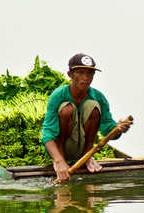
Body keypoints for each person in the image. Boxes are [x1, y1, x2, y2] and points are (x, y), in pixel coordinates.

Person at [41, 53, 132, 182]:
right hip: (62, 148)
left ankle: (87, 156)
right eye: (80, 72)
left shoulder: (98, 97)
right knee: (67, 109)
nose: (86, 78)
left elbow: (108, 131)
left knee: (93, 106)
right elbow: (47, 133)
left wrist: (119, 128)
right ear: (70, 75)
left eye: (90, 73)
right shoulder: (58, 95)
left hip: (84, 148)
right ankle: (61, 159)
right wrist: (59, 160)